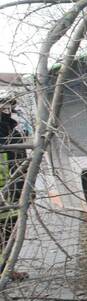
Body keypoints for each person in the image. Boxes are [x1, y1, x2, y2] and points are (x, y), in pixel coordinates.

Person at [0, 96, 27, 282]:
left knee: (9, 232)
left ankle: (7, 269)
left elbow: (21, 160)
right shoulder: (5, 128)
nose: (10, 109)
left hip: (13, 188)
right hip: (6, 188)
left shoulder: (11, 127)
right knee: (6, 233)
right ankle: (5, 271)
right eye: (7, 105)